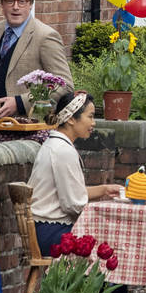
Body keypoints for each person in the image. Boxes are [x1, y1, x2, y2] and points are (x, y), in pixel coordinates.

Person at [27, 91, 124, 254]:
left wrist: (104, 189)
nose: (93, 123)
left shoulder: (55, 144)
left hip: (44, 229)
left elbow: (71, 194)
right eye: (90, 116)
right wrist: (104, 214)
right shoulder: (63, 151)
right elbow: (73, 204)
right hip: (51, 233)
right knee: (112, 246)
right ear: (71, 118)